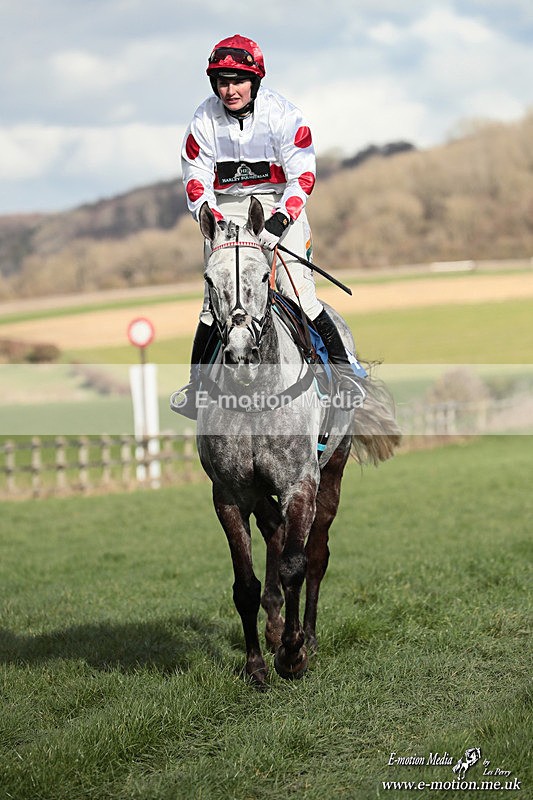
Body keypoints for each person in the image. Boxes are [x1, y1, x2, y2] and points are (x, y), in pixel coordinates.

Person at [173, 34, 361, 418]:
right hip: (225, 211)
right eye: (222, 82)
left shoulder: (285, 116)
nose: (230, 90)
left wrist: (278, 221)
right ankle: (197, 388)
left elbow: (303, 176)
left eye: (238, 81)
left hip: (278, 205)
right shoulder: (203, 119)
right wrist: (217, 222)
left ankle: (345, 375)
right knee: (214, 307)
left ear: (255, 81)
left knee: (300, 295)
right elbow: (195, 179)